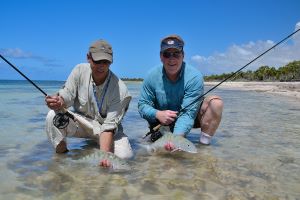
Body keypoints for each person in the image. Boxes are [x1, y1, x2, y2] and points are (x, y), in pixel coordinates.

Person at [45, 39, 133, 167]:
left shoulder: (121, 90)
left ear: (111, 61)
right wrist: (59, 101)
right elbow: (67, 95)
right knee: (52, 116)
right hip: (83, 123)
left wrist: (105, 156)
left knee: (124, 157)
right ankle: (61, 158)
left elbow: (108, 127)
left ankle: (99, 149)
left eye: (106, 62)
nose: (101, 66)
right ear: (88, 57)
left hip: (108, 130)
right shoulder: (79, 71)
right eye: (97, 61)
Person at [138, 34, 223, 148]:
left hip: (189, 116)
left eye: (176, 54)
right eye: (167, 54)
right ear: (161, 57)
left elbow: (188, 114)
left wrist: (176, 140)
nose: (171, 59)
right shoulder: (151, 76)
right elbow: (142, 105)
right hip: (161, 121)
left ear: (183, 55)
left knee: (216, 103)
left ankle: (203, 146)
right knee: (158, 151)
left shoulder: (194, 77)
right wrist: (157, 114)